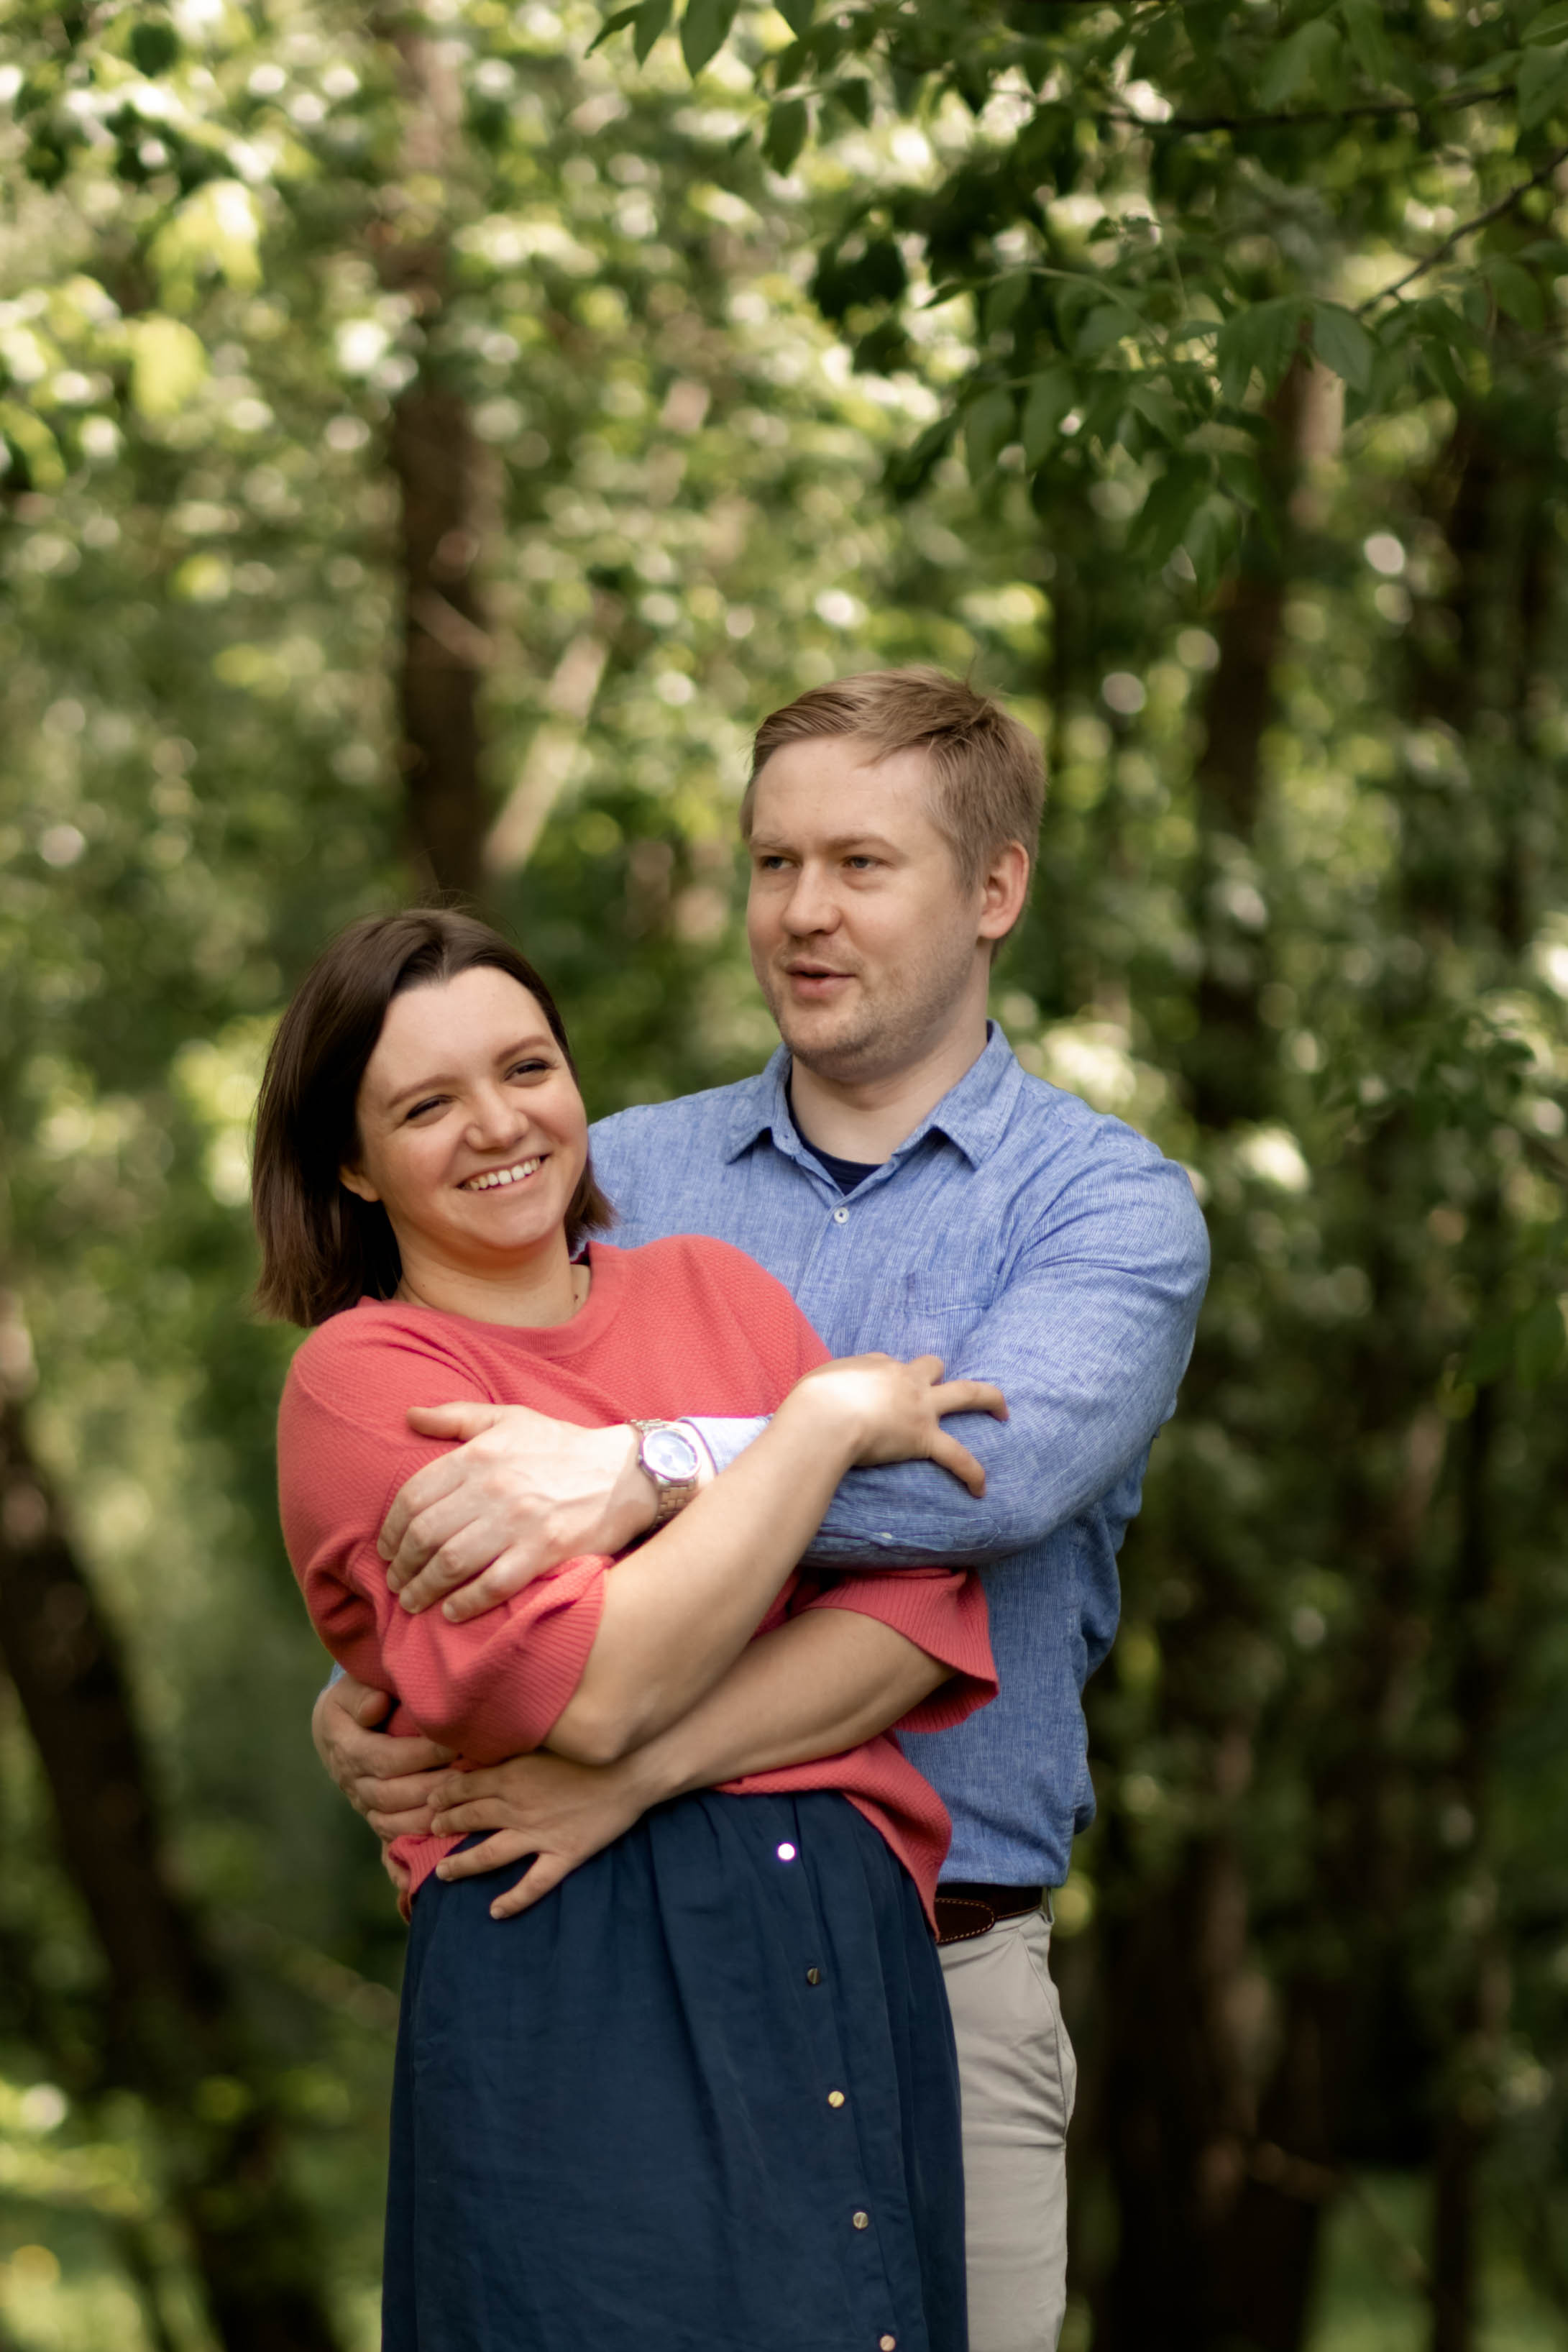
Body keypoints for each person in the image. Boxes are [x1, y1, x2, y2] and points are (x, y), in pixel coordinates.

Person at [317, 667, 1211, 2352]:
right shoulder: (614, 1174)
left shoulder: (1105, 1208)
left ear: (994, 888)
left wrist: (635, 1470)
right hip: (602, 1956)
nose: (802, 912)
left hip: (942, 1970)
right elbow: (440, 1511)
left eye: (860, 865)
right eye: (771, 862)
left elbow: (981, 1490)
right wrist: (375, 1678)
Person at [258, 907, 1008, 2352]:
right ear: (351, 1164)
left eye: (525, 1066)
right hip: (573, 1952)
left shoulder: (716, 1293)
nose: (498, 1124)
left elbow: (914, 1623)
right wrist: (825, 1419)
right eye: (425, 1104)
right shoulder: (365, 1382)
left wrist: (689, 1500)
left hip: (841, 1932)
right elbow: (593, 1689)